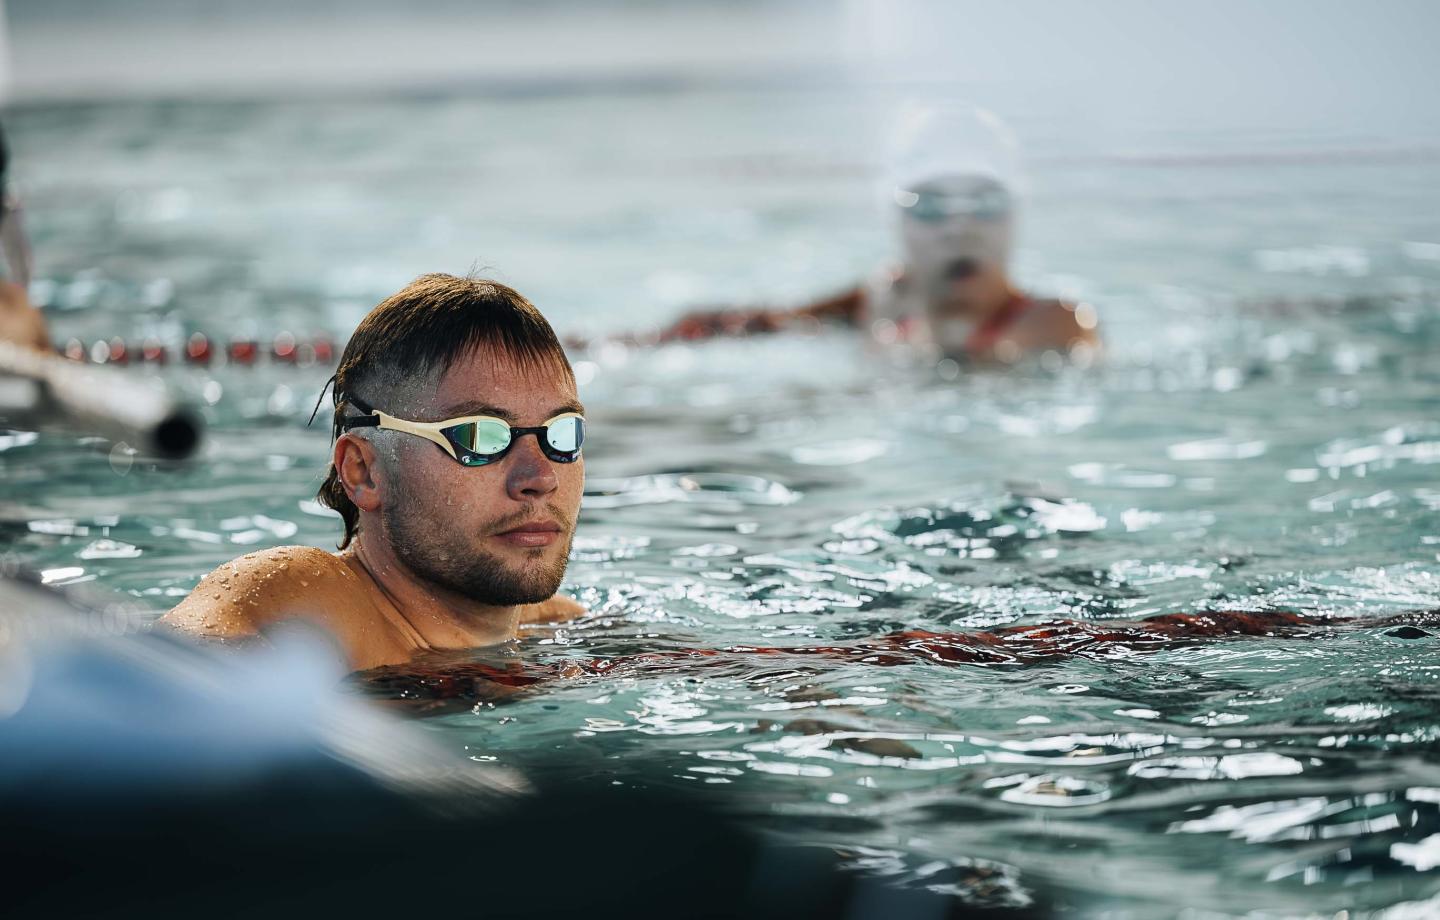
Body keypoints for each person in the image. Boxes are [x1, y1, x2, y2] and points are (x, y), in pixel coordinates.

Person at [160, 274, 587, 670]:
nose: (541, 477)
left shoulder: (556, 629)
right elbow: (149, 683)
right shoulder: (301, 607)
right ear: (363, 471)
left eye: (562, 433)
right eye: (478, 437)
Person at [659, 104, 1099, 365]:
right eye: (930, 207)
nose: (959, 230)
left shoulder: (1055, 325)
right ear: (898, 218)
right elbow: (776, 322)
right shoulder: (884, 294)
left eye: (984, 204)